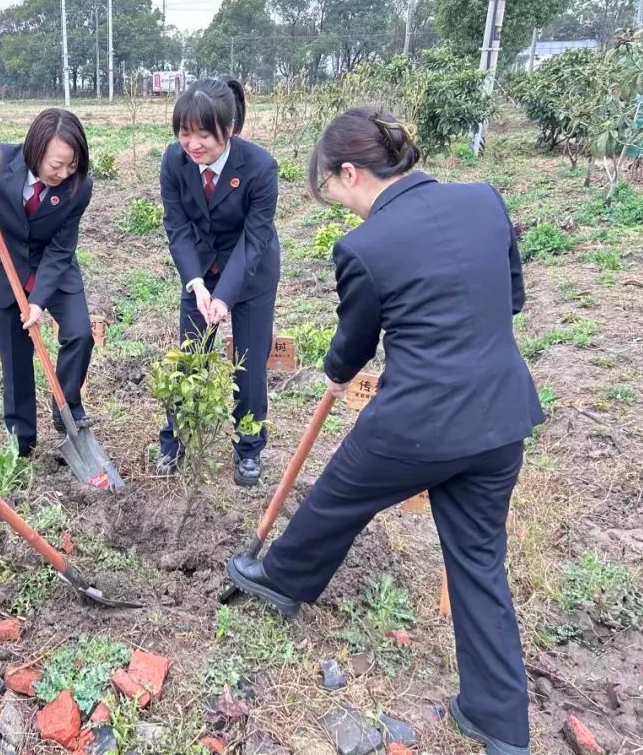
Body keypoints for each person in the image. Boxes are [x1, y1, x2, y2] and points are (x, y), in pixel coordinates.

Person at [225, 107, 545, 755]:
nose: (339, 206)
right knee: (480, 564)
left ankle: (282, 578)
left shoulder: (365, 246)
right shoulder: (484, 200)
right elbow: (510, 299)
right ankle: (499, 720)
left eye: (334, 189)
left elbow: (356, 340)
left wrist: (337, 372)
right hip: (500, 418)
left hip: (419, 422)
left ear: (352, 171)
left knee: (339, 494)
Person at [156, 77, 281, 487]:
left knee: (248, 360)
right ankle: (175, 439)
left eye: (204, 135)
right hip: (200, 269)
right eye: (185, 133)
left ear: (229, 130)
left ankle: (248, 445)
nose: (193, 144)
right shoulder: (174, 163)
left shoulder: (260, 168)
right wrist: (196, 283)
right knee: (191, 356)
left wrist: (226, 296)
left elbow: (255, 237)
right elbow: (176, 226)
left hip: (251, 271)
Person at [0, 108, 94, 458]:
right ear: (34, 150)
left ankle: (67, 404)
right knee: (15, 360)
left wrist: (39, 301)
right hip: (6, 266)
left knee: (80, 333)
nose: (63, 173)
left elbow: (61, 249)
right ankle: (22, 441)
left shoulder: (79, 187)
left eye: (71, 165)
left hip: (52, 266)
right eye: (55, 165)